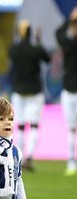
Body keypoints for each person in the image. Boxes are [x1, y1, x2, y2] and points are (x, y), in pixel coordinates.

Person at [9, 19, 50, 171]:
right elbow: (47, 58)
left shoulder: (14, 49)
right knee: (33, 125)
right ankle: (29, 157)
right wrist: (38, 41)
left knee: (19, 125)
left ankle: (18, 157)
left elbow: (13, 52)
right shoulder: (36, 49)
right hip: (35, 91)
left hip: (19, 90)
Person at [56, 7, 77, 176]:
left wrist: (71, 20)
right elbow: (59, 34)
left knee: (72, 129)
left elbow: (60, 33)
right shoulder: (68, 42)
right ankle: (71, 161)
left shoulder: (68, 41)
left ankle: (71, 162)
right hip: (70, 90)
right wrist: (71, 20)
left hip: (69, 90)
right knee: (71, 129)